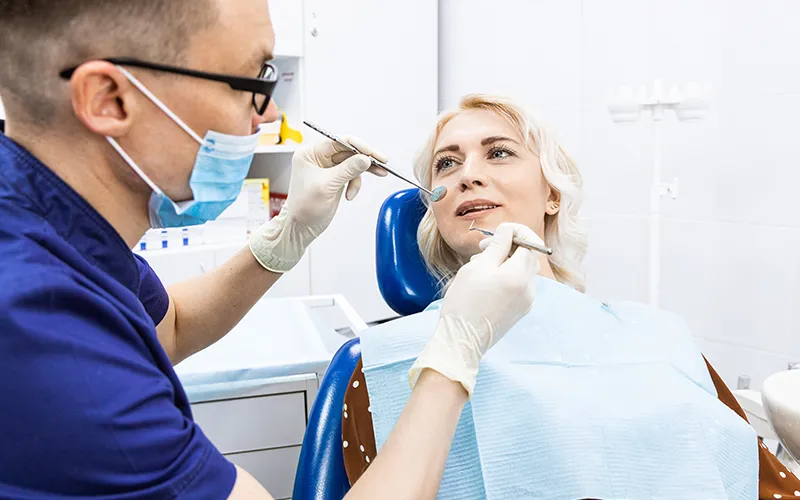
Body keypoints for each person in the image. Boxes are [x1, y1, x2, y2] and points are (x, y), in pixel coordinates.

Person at [0, 2, 543, 499]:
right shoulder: (42, 333)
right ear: (109, 100)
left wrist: (288, 236)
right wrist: (453, 359)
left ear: (555, 194)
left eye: (499, 153)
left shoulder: (62, 234)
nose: (266, 116)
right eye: (251, 83)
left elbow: (173, 325)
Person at [342, 94, 800, 499]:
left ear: (553, 196)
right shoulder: (381, 364)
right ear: (436, 212)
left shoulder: (662, 338)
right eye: (447, 164)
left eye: (498, 153)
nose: (468, 176)